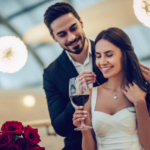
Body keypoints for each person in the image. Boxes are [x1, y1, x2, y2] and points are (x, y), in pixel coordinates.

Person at [73, 27, 150, 150]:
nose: (102, 62)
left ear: (124, 55)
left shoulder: (141, 91)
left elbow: (148, 145)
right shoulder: (90, 95)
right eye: (98, 56)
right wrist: (84, 130)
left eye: (109, 55)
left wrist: (139, 102)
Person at [43, 2, 104, 150]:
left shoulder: (110, 52)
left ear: (81, 23)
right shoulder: (51, 73)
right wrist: (76, 98)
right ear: (53, 37)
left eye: (73, 28)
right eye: (62, 34)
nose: (71, 38)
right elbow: (60, 128)